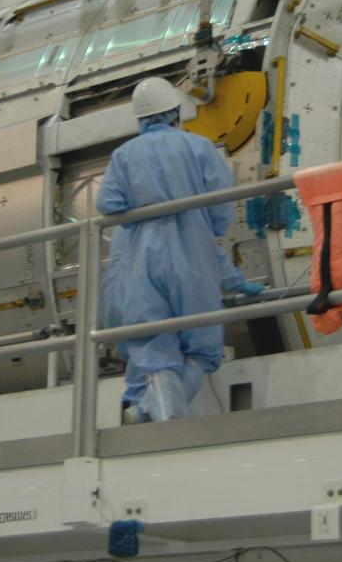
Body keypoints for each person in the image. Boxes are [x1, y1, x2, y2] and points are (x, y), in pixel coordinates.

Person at [97, 77, 264, 424]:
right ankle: (154, 414)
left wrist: (142, 217)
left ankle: (151, 410)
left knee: (154, 349)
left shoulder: (123, 155)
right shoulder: (199, 147)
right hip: (194, 257)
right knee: (203, 350)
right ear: (175, 110)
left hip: (143, 260)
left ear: (140, 118)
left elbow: (109, 204)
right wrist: (234, 279)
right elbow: (219, 212)